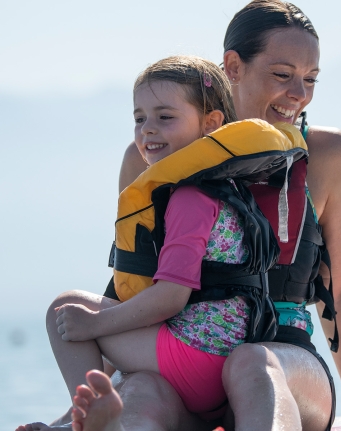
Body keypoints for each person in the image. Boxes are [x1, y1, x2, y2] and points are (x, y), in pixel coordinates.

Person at [20, 2, 341, 431]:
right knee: (142, 397)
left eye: (311, 79)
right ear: (233, 67)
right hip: (184, 362)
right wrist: (74, 409)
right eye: (282, 74)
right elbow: (134, 290)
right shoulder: (150, 156)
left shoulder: (329, 155)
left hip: (283, 359)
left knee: (251, 362)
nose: (300, 92)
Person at [16, 53, 306, 431]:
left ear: (211, 124)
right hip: (223, 358)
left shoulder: (189, 199)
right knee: (126, 368)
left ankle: (83, 420)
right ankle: (92, 418)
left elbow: (171, 296)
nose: (148, 130)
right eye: (140, 118)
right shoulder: (227, 189)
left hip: (194, 360)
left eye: (165, 117)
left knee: (65, 310)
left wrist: (94, 324)